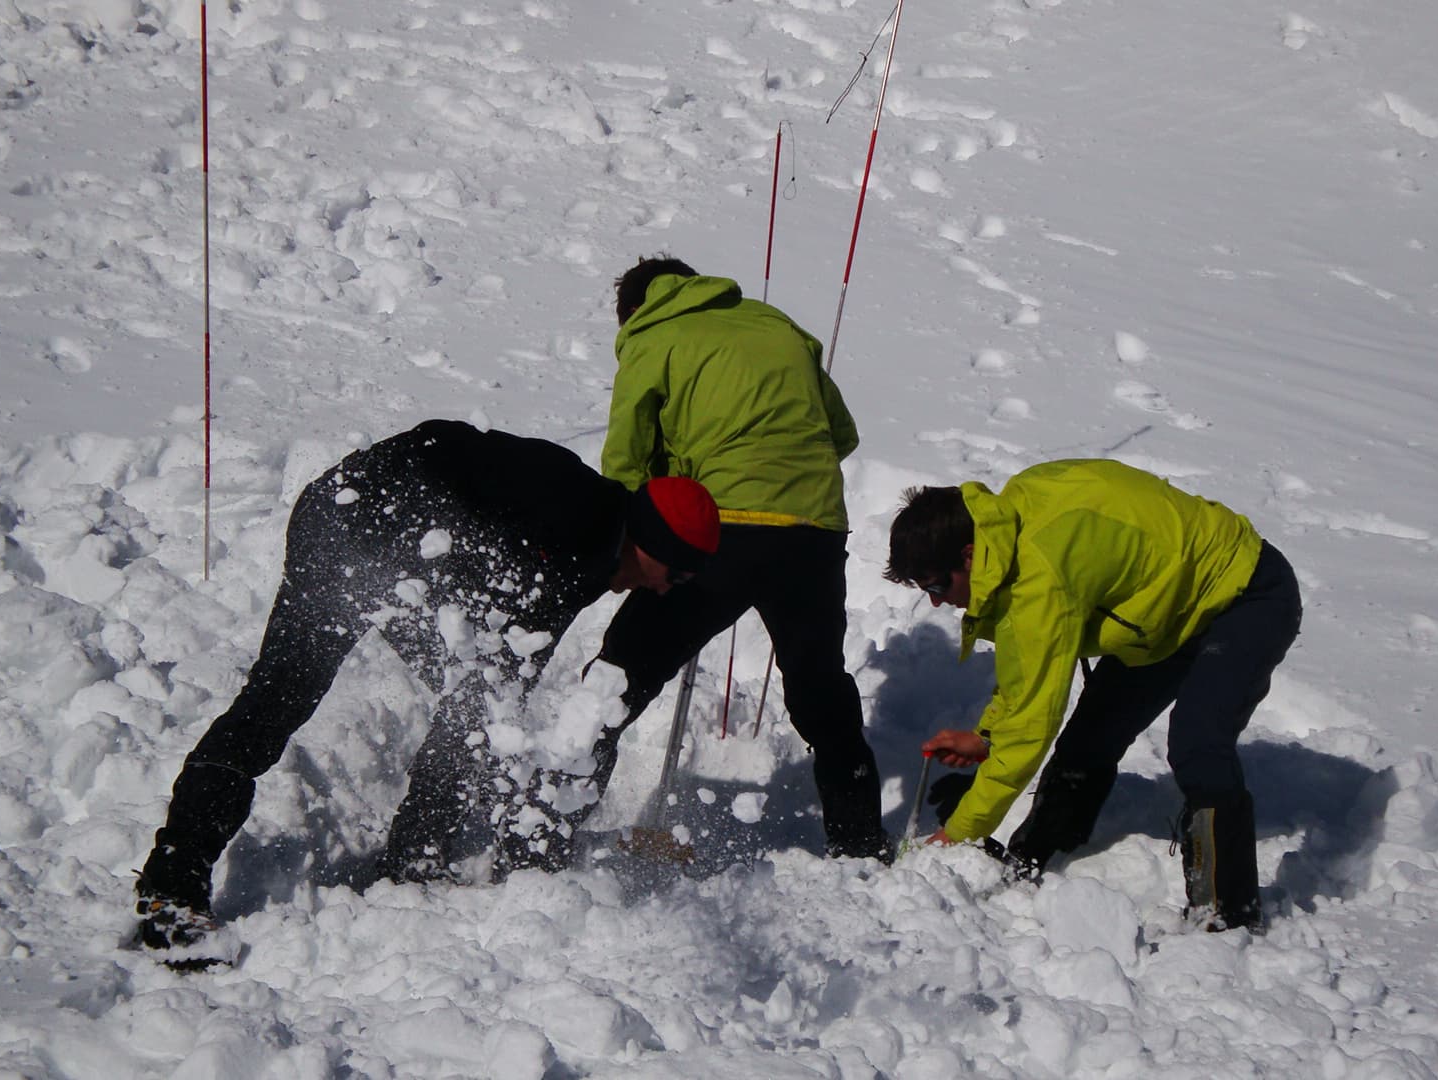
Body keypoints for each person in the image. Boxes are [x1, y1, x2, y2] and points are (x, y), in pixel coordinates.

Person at [134, 419, 720, 950]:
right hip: (352, 523)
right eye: (679, 573)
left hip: (398, 544)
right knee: (278, 700)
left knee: (476, 705)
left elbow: (495, 690)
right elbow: (443, 457)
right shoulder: (570, 525)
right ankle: (174, 881)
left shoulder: (594, 551)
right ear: (651, 545)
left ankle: (413, 855)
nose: (670, 589)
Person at [528, 255, 889, 865]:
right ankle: (859, 845)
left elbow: (624, 468)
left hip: (718, 529)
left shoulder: (653, 335)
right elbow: (842, 433)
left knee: (620, 676)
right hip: (815, 529)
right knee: (819, 690)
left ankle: (539, 836)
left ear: (634, 310)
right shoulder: (776, 325)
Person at [884, 460, 1301, 930]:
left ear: (967, 555)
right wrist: (985, 736)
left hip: (1245, 592)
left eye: (937, 586)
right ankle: (1036, 854)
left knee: (1198, 742)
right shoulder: (1008, 526)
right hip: (1164, 611)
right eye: (925, 591)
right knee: (1091, 737)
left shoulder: (1039, 575)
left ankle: (1228, 914)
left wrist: (957, 836)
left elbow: (1031, 727)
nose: (937, 601)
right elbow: (1028, 668)